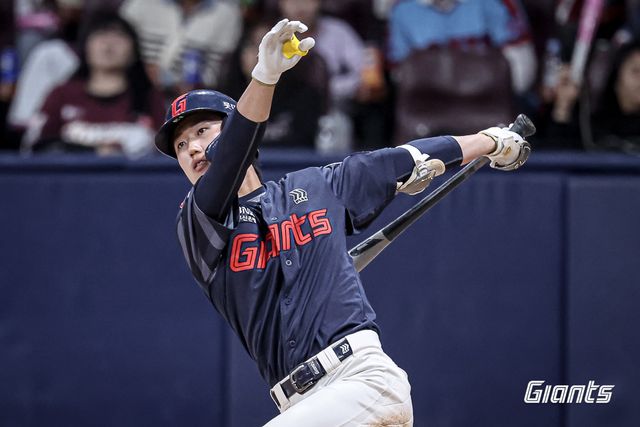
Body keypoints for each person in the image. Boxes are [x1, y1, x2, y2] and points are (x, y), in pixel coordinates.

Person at [154, 18, 531, 426]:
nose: (191, 148)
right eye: (180, 145)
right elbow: (231, 156)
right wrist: (263, 77)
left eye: (202, 130)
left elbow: (407, 158)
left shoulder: (318, 186)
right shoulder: (197, 221)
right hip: (300, 402)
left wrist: (492, 140)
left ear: (234, 129)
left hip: (362, 381)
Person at [23, 12, 165, 157]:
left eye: (119, 36)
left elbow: (169, 150)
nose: (109, 44)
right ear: (85, 47)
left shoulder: (149, 98)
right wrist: (94, 151)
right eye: (100, 35)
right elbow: (35, 148)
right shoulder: (61, 95)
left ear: (134, 52)